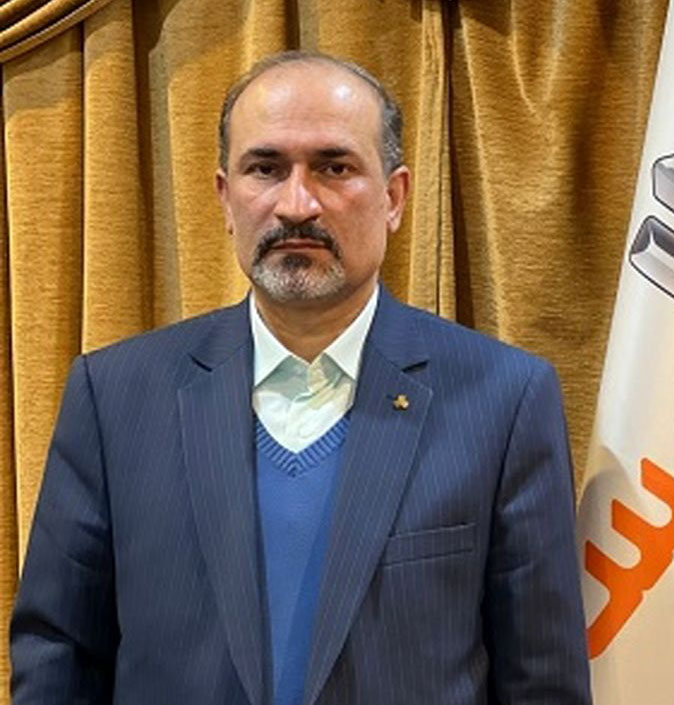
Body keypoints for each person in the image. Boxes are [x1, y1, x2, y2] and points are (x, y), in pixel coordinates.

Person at [9, 51, 591, 705]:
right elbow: (58, 659)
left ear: (395, 197)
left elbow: (543, 683)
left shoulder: (504, 401)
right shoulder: (114, 398)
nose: (296, 204)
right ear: (226, 197)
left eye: (334, 167)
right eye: (265, 168)